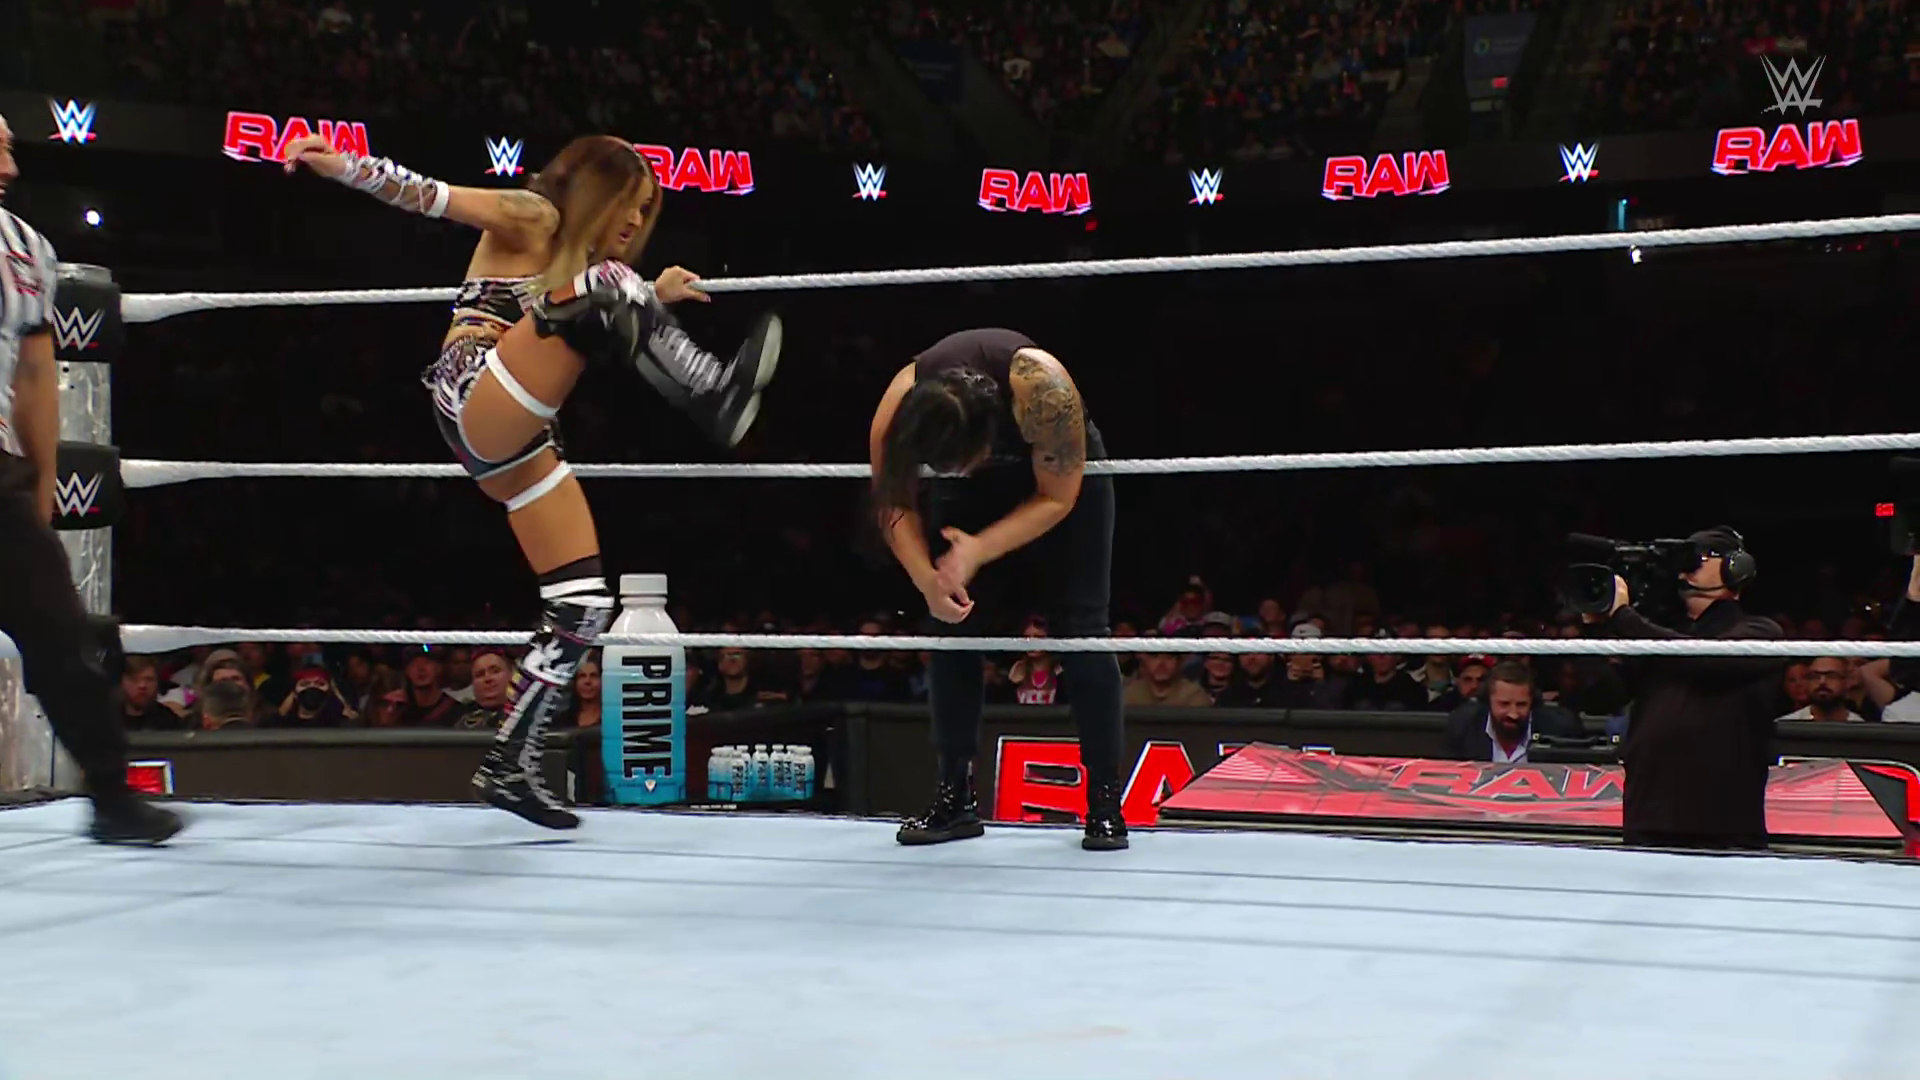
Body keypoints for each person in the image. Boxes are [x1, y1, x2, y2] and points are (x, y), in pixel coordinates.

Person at [283, 133, 782, 829]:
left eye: (646, 210)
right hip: (474, 389)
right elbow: (430, 195)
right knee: (611, 287)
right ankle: (712, 391)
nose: (637, 220)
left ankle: (510, 762)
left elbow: (584, 313)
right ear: (597, 190)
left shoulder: (582, 271)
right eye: (631, 202)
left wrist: (651, 296)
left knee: (582, 604)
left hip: (518, 436)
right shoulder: (533, 214)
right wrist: (343, 165)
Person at [869, 328, 1126, 851]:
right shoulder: (897, 409)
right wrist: (928, 581)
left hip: (1061, 476)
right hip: (973, 494)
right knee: (950, 626)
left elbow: (1058, 497)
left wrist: (978, 550)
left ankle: (1105, 801)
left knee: (1082, 631)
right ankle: (954, 798)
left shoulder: (1043, 387)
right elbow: (893, 503)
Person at [0, 113, 181, 843]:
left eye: (9, 149)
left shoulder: (24, 247)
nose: (10, 166)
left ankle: (111, 796)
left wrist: (40, 489)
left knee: (62, 634)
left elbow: (36, 374)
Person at [1587, 527, 1784, 850]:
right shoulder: (1655, 635)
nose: (1687, 568)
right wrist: (1595, 632)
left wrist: (1624, 618)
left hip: (1723, 822)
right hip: (1648, 814)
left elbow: (1705, 661)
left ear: (1735, 567)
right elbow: (1602, 697)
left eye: (1699, 559)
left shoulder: (1759, 631)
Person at [1442, 661, 1583, 763]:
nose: (1513, 714)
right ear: (1487, 701)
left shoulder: (1561, 729)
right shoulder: (1463, 726)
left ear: (1533, 702)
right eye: (1504, 704)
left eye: (1521, 705)